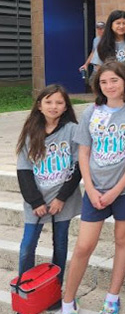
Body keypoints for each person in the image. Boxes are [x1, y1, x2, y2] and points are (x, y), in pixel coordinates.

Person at [59, 61, 125, 314]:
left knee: (122, 241)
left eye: (115, 80)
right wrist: (92, 187)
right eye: (104, 81)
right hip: (95, 189)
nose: (110, 86)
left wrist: (116, 190)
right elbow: (83, 153)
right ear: (98, 85)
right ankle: (68, 302)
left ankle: (112, 296)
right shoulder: (91, 113)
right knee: (84, 245)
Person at [16, 85, 82, 286]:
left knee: (60, 245)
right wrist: (35, 201)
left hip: (63, 199)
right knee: (27, 246)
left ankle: (54, 289)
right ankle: (25, 290)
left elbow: (78, 166)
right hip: (36, 200)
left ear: (65, 107)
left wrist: (61, 198)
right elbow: (24, 170)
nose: (54, 106)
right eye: (48, 101)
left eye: (59, 102)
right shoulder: (30, 132)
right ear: (39, 106)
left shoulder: (72, 130)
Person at [92, 10, 125, 76]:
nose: (121, 26)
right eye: (118, 23)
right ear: (111, 25)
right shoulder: (103, 43)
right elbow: (98, 67)